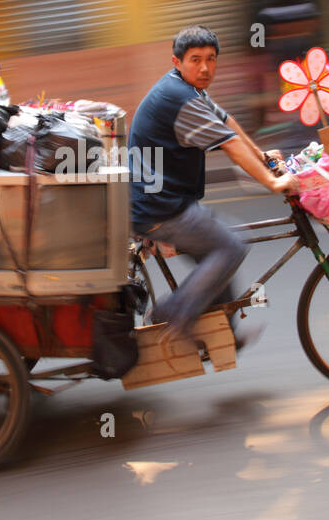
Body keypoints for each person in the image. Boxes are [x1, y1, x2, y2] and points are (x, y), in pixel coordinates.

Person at [128, 25, 299, 347]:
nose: (205, 68)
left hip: (165, 200)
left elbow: (227, 123)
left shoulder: (188, 90)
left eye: (211, 59)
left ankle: (224, 336)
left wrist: (261, 156)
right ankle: (170, 313)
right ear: (177, 62)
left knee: (223, 249)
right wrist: (273, 182)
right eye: (195, 60)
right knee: (231, 247)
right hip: (158, 208)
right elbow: (231, 144)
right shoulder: (179, 98)